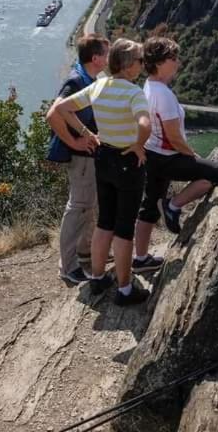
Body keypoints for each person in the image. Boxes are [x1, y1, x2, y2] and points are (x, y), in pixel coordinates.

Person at [46, 39, 152, 306]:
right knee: (124, 228)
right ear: (128, 65)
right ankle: (125, 290)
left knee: (105, 221)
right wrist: (139, 145)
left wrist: (87, 133)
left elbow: (61, 108)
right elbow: (145, 123)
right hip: (128, 162)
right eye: (140, 60)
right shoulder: (134, 92)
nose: (142, 65)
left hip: (103, 158)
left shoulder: (99, 85)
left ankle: (97, 278)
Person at [134, 37, 218, 255]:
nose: (178, 63)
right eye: (173, 58)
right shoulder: (163, 95)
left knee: (148, 209)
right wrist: (192, 155)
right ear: (159, 63)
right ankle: (173, 206)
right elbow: (174, 138)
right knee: (216, 173)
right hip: (167, 157)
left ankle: (140, 258)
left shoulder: (148, 85)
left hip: (152, 154)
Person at [48, 34, 110, 285]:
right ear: (95, 58)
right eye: (105, 54)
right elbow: (53, 114)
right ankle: (69, 267)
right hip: (80, 158)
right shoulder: (76, 82)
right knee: (78, 208)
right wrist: (75, 142)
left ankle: (85, 252)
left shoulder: (88, 78)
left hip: (89, 157)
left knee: (88, 205)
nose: (108, 58)